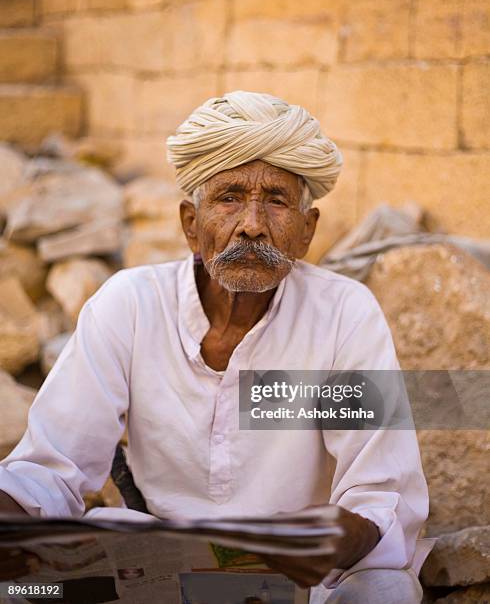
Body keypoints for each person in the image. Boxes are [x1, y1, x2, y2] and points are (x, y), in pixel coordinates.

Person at [0, 91, 431, 602]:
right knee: (28, 588)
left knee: (387, 589)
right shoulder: (129, 305)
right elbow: (49, 470)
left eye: (275, 200)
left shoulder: (344, 315)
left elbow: (382, 493)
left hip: (302, 582)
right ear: (190, 224)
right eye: (228, 198)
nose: (251, 223)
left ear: (306, 232)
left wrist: (344, 534)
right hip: (152, 574)